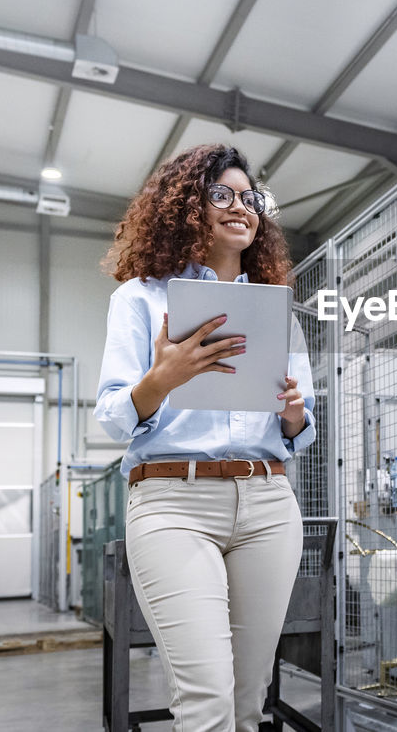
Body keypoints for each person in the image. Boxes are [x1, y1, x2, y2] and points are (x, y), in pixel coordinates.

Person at [95, 143, 313, 732]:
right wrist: (161, 379)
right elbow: (114, 415)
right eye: (221, 194)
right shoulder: (141, 298)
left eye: (250, 198)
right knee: (207, 704)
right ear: (188, 206)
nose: (239, 206)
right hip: (173, 504)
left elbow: (300, 426)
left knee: (248, 706)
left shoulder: (279, 314)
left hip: (268, 503)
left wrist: (293, 410)